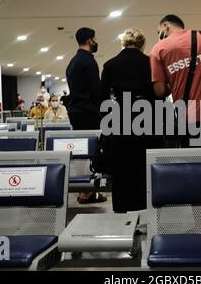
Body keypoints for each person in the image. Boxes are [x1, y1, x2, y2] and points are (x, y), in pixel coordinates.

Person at [100, 28, 161, 213]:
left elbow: (102, 97)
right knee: (145, 165)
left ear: (123, 43)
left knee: (121, 167)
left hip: (120, 118)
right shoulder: (151, 62)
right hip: (148, 117)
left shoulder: (110, 65)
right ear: (142, 44)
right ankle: (146, 206)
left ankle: (122, 209)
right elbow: (159, 93)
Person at [150, 15, 201, 146]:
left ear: (165, 27)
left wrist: (175, 81)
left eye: (159, 32)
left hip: (189, 115)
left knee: (194, 163)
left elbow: (160, 91)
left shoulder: (159, 49)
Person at [66, 27, 106, 204]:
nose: (96, 42)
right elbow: (96, 89)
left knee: (80, 150)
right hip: (88, 112)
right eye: (94, 39)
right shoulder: (89, 61)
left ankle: (83, 191)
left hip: (75, 112)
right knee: (90, 151)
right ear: (90, 40)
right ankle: (87, 192)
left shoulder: (73, 61)